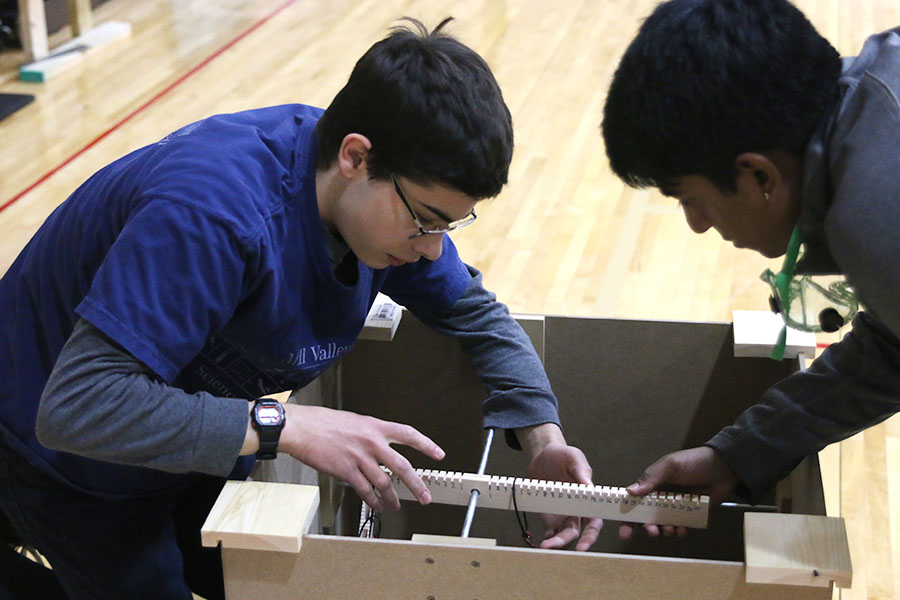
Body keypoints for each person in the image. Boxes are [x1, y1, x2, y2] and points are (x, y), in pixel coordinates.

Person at [0, 18, 600, 599]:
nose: (433, 249)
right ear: (355, 157)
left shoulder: (378, 206)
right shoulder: (213, 217)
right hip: (64, 455)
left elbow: (480, 315)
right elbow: (77, 408)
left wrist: (542, 437)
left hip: (186, 440)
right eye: (424, 220)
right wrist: (284, 425)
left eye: (449, 224)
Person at [601, 0, 900, 537]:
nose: (695, 223)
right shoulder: (875, 81)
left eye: (690, 198)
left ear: (759, 176)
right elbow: (893, 350)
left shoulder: (878, 222)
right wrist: (738, 455)